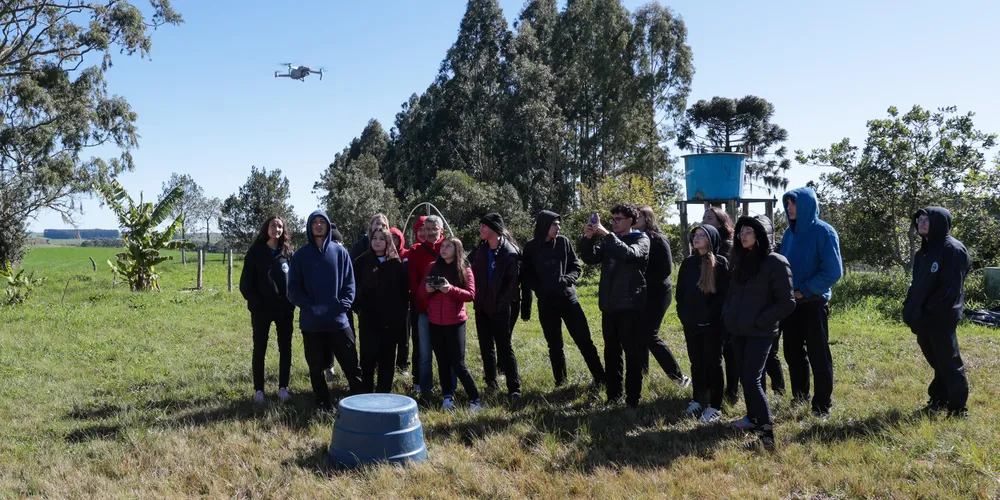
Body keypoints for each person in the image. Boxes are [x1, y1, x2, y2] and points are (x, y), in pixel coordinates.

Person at [723, 215, 796, 450]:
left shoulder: (776, 262)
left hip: (760, 332)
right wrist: (728, 315)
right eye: (740, 232)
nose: (742, 236)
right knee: (750, 378)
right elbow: (732, 294)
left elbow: (787, 303)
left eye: (748, 232)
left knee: (751, 378)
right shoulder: (740, 259)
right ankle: (753, 419)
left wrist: (761, 321)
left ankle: (767, 438)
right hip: (738, 330)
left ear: (760, 235)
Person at [287, 211, 363, 410]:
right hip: (312, 322)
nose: (319, 225)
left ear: (328, 226)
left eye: (323, 222)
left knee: (351, 362)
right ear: (309, 227)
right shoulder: (301, 255)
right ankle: (322, 402)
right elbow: (293, 287)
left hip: (338, 320)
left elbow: (350, 283)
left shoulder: (340, 253)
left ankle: (360, 399)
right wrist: (308, 306)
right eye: (315, 222)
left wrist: (342, 306)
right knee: (315, 366)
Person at [779, 187, 843, 418]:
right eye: (787, 204)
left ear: (807, 204)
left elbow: (833, 272)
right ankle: (800, 397)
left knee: (818, 355)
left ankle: (822, 406)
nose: (789, 208)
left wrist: (803, 291)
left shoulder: (824, 232)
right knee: (792, 353)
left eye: (794, 203)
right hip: (791, 304)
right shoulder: (789, 234)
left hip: (814, 302)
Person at [522, 211, 605, 388]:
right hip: (547, 303)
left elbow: (576, 267)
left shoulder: (563, 242)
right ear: (544, 225)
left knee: (584, 341)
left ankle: (601, 378)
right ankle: (561, 382)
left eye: (559, 224)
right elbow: (526, 275)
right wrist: (541, 288)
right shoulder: (530, 247)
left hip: (569, 300)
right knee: (554, 345)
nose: (558, 227)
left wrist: (566, 280)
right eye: (554, 224)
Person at [578, 204, 650, 407]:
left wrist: (607, 235)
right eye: (613, 219)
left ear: (630, 220)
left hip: (630, 306)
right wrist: (588, 238)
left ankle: (633, 399)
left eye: (618, 219)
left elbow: (631, 254)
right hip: (609, 307)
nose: (614, 223)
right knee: (611, 353)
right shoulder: (611, 240)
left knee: (632, 355)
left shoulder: (641, 239)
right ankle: (613, 396)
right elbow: (590, 258)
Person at [903, 207, 971, 417]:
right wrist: (910, 307)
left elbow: (951, 289)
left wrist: (930, 311)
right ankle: (940, 398)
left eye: (927, 219)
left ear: (940, 223)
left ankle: (958, 407)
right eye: (920, 219)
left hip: (941, 317)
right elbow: (917, 285)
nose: (922, 223)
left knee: (948, 361)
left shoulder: (953, 250)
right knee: (936, 360)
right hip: (922, 317)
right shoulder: (922, 253)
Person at [416, 237, 482, 411]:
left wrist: (450, 289)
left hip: (455, 322)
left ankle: (475, 399)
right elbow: (421, 292)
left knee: (458, 363)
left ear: (457, 250)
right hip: (435, 322)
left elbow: (471, 294)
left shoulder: (464, 269)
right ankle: (447, 397)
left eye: (448, 246)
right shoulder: (432, 266)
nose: (443, 249)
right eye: (443, 246)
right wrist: (427, 290)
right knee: (442, 361)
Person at [238, 216, 296, 404]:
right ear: (266, 228)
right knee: (259, 348)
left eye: (279, 226)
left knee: (285, 348)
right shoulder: (255, 252)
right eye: (273, 225)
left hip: (284, 310)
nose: (276, 229)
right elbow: (245, 284)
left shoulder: (288, 253)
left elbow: (295, 281)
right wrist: (256, 304)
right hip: (261, 310)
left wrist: (291, 302)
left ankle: (283, 388)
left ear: (283, 230)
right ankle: (259, 391)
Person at [676, 224, 730, 422]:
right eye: (694, 235)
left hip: (712, 325)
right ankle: (698, 399)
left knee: (713, 364)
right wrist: (684, 317)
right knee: (696, 363)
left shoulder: (721, 263)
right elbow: (680, 294)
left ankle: (715, 406)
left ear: (712, 240)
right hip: (691, 324)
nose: (696, 238)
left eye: (701, 235)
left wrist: (713, 319)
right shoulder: (688, 263)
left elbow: (724, 296)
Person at [634, 205, 689, 387]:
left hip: (658, 293)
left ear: (648, 218)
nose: (635, 218)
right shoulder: (634, 237)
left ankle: (679, 378)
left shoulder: (658, 239)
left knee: (649, 335)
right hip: (641, 293)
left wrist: (642, 280)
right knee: (639, 334)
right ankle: (642, 376)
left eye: (639, 216)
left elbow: (666, 269)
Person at [470, 213, 522, 399]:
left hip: (501, 308)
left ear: (493, 228)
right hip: (481, 307)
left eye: (483, 226)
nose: (481, 229)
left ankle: (514, 388)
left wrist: (499, 305)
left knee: (504, 348)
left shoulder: (510, 253)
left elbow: (511, 286)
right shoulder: (480, 250)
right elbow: (466, 267)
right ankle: (491, 383)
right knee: (486, 347)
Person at [353, 227, 409, 393]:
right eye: (374, 238)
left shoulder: (396, 264)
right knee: (368, 358)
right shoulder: (361, 262)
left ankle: (384, 393)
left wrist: (399, 316)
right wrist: (359, 309)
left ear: (388, 242)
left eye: (381, 239)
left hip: (390, 321)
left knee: (387, 358)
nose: (377, 241)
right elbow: (353, 288)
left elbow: (403, 293)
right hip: (368, 319)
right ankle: (366, 393)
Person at [408, 215, 455, 398]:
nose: (429, 232)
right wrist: (425, 301)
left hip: (447, 311)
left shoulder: (450, 247)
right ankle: (426, 389)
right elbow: (413, 282)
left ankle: (450, 389)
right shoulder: (416, 251)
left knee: (449, 352)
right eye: (426, 229)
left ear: (441, 230)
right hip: (424, 310)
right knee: (425, 353)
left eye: (434, 229)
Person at [390, 227, 411, 374]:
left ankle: (402, 365)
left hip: (405, 303)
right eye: (390, 237)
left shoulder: (407, 255)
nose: (393, 240)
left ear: (400, 239)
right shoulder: (384, 255)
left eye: (395, 237)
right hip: (389, 304)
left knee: (404, 337)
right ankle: (387, 363)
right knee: (389, 337)